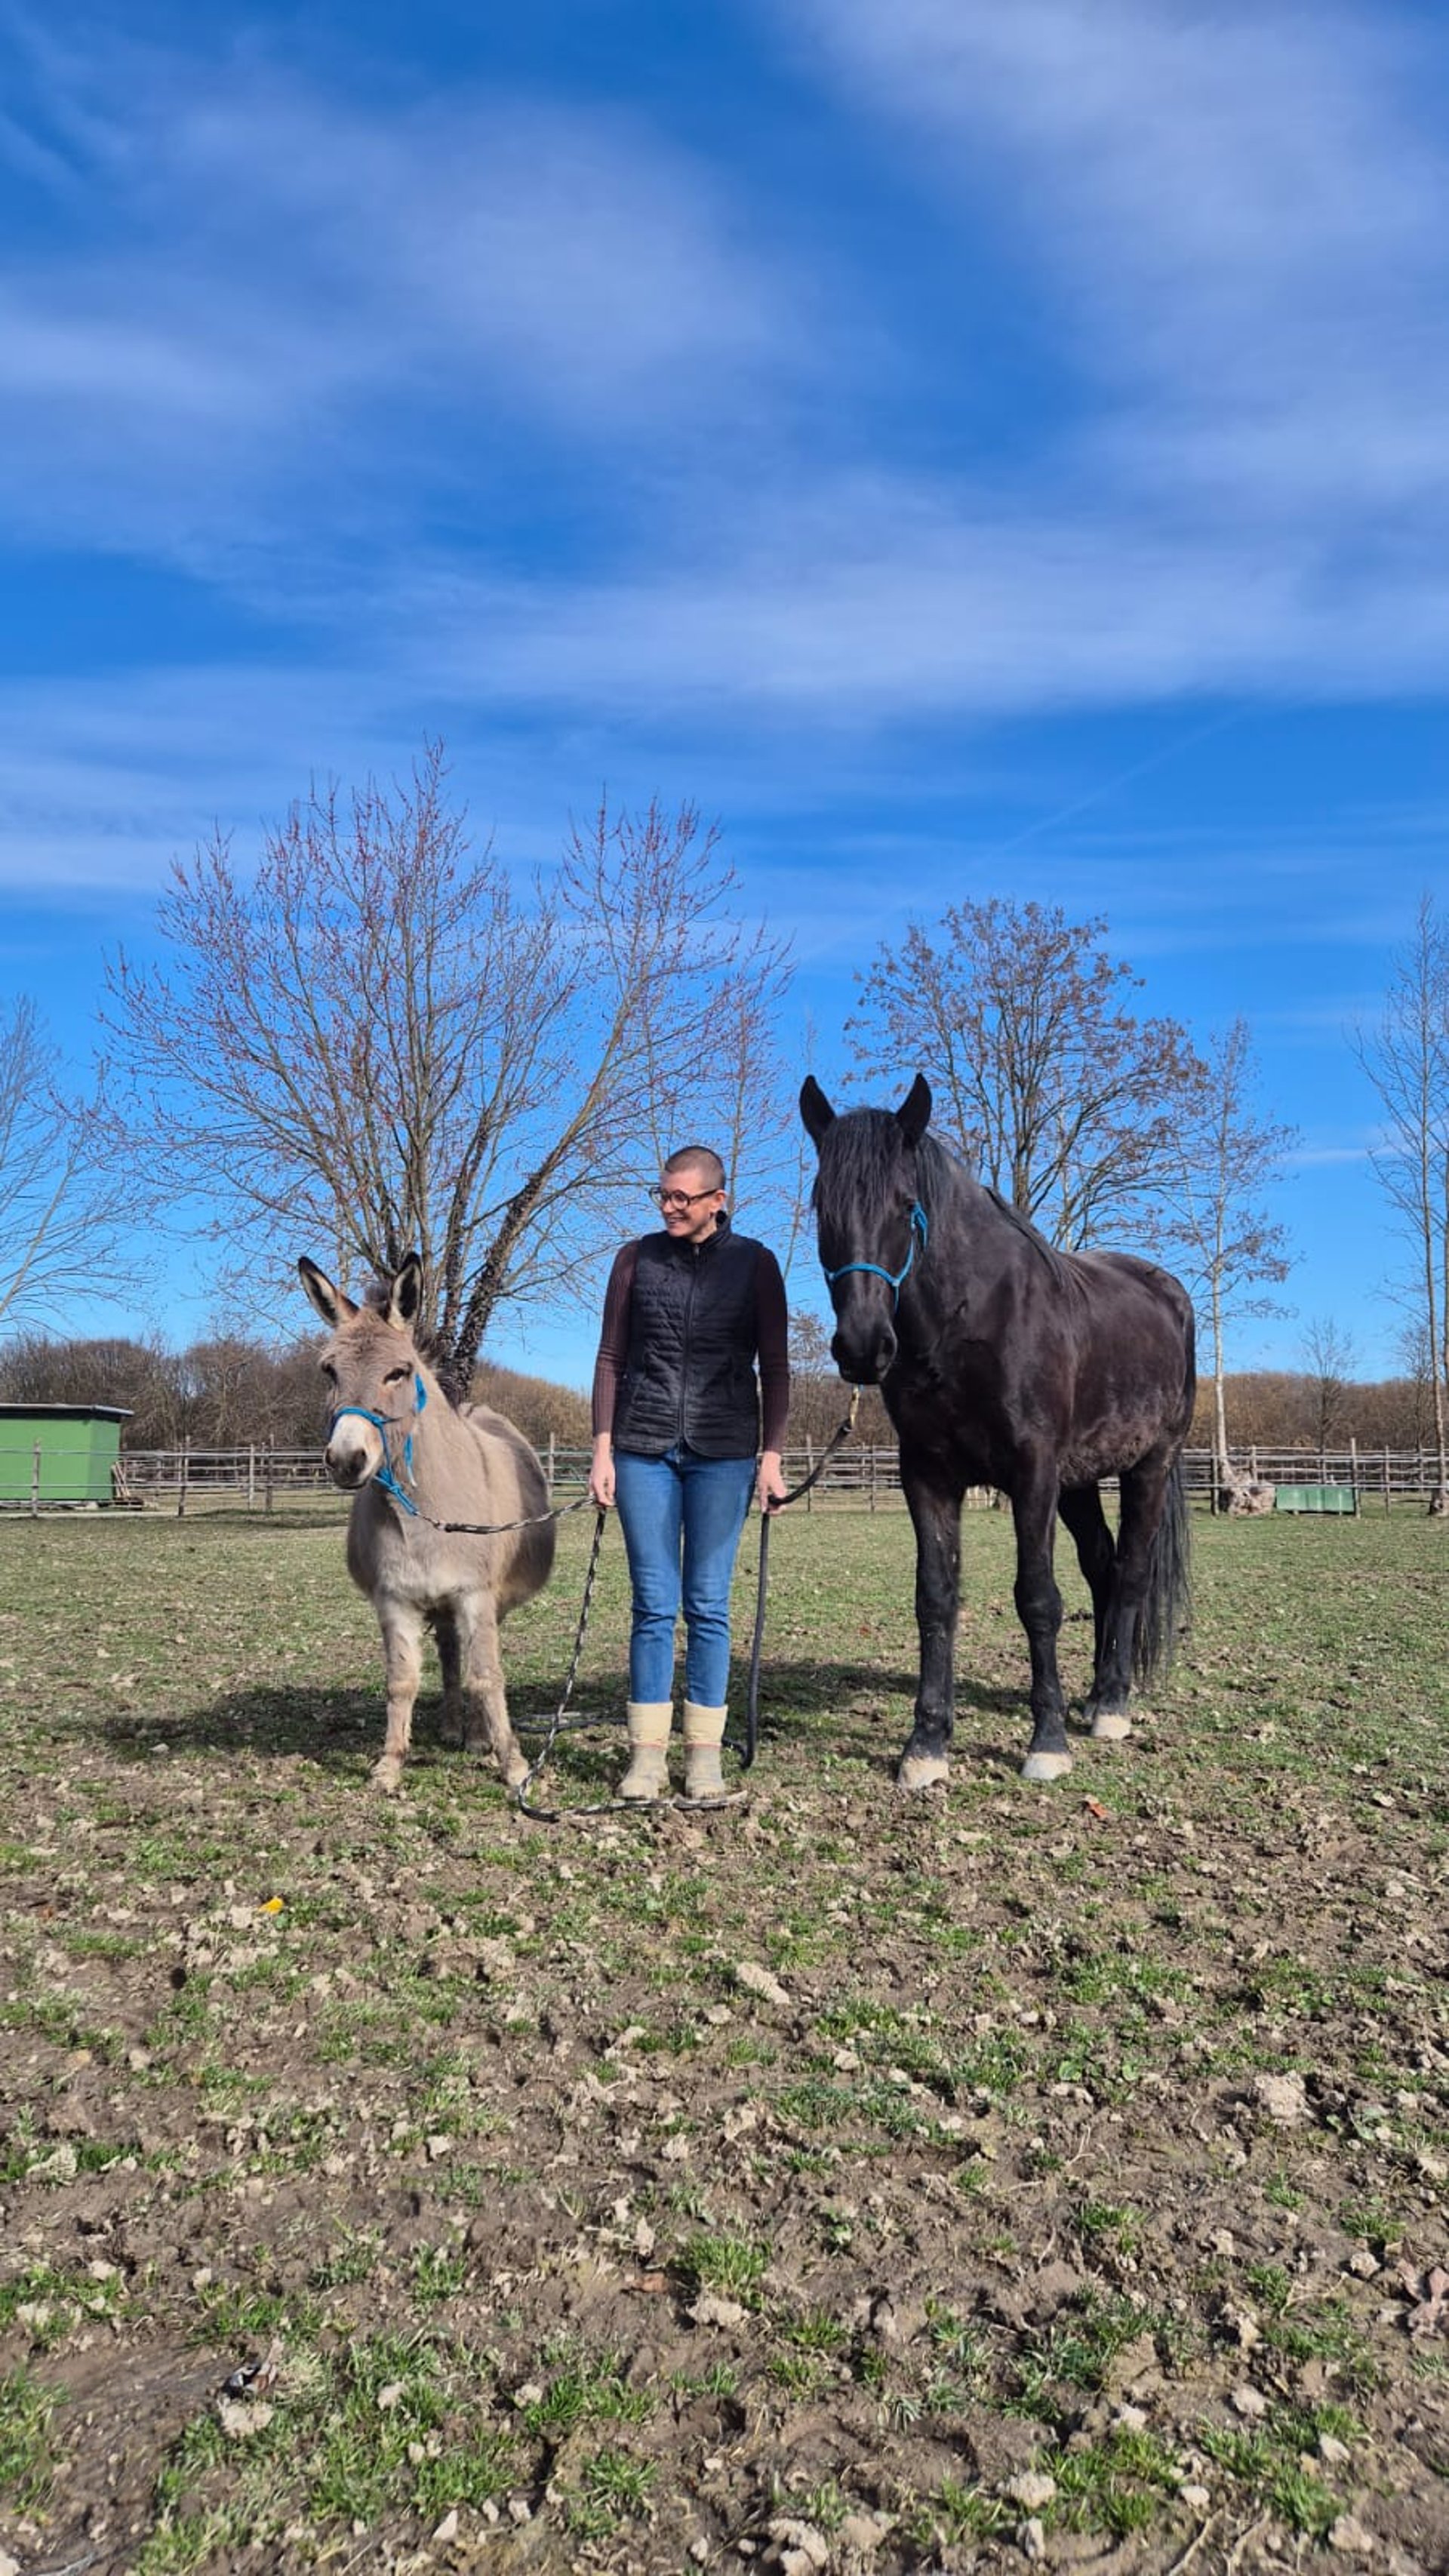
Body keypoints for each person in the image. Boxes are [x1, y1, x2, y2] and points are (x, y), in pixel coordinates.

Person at [589, 1145, 789, 1800]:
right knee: (653, 1604)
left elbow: (775, 1367)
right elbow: (610, 1357)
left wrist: (771, 1455)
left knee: (708, 1604)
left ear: (717, 1200)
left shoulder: (757, 1264)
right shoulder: (634, 1259)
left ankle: (704, 1756)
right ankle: (646, 1758)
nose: (669, 1207)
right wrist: (602, 1449)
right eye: (664, 1195)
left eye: (683, 1197)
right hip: (642, 1449)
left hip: (724, 1452)